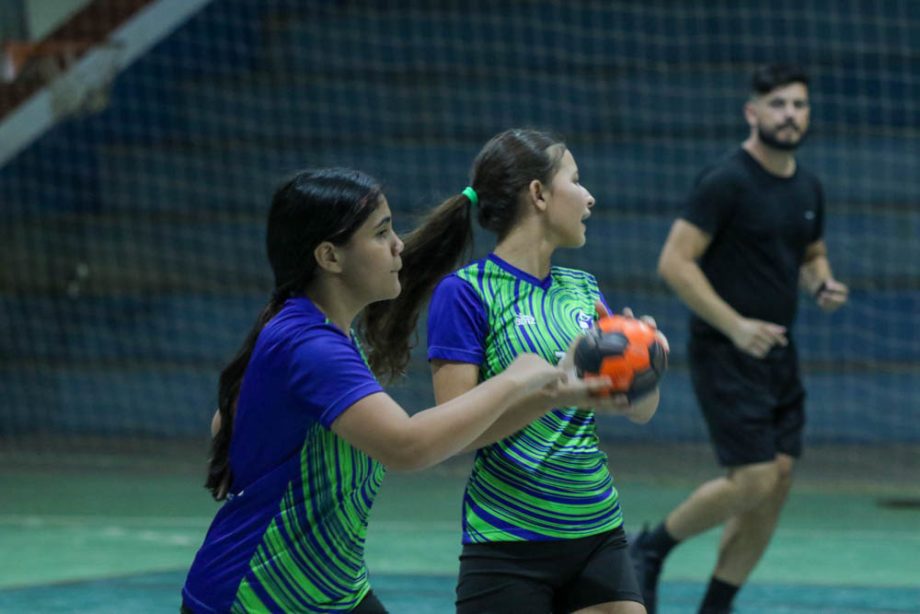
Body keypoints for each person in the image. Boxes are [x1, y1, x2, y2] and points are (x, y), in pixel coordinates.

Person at [181, 168, 609, 613]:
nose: (398, 244)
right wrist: (514, 378)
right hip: (255, 597)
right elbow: (407, 447)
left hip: (333, 590)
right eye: (381, 232)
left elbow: (224, 422)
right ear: (329, 256)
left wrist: (554, 392)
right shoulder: (312, 346)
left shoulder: (311, 327)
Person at [363, 128, 665, 614]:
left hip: (597, 530)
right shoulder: (467, 293)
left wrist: (649, 362)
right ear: (539, 194)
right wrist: (553, 395)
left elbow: (641, 411)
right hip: (509, 540)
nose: (589, 196)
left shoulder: (584, 290)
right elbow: (459, 432)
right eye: (576, 179)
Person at [630, 64, 849, 614]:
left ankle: (716, 606)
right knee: (752, 478)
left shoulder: (808, 185)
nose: (790, 115)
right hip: (726, 351)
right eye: (778, 104)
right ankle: (651, 549)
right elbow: (675, 263)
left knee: (774, 487)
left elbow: (810, 251)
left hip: (780, 353)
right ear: (753, 112)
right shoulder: (726, 180)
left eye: (799, 105)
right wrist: (736, 325)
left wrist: (821, 283)